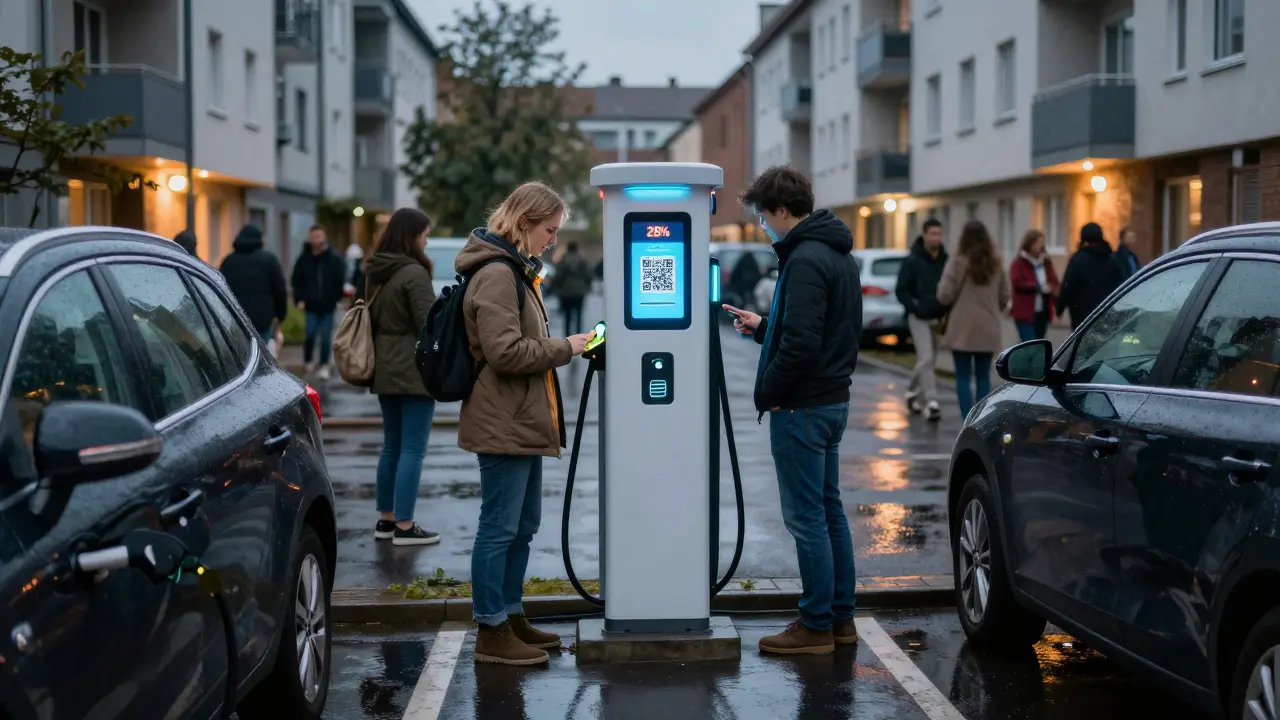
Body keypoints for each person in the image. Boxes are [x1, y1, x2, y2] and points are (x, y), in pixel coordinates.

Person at [721, 165, 862, 656]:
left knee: (807, 520)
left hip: (802, 406)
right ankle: (840, 619)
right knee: (828, 511)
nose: (764, 226)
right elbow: (819, 332)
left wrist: (770, 392)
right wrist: (764, 326)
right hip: (831, 400)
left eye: (763, 217)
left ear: (782, 211)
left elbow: (802, 345)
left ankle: (815, 623)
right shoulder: (837, 255)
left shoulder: (803, 260)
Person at [455, 181, 595, 665]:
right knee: (499, 528)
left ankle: (511, 617)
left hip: (520, 420)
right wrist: (568, 348)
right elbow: (505, 352)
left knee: (522, 526)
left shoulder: (516, 270)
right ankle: (491, 629)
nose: (553, 239)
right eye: (549, 229)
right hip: (503, 422)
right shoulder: (496, 274)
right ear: (524, 222)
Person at [366, 208, 442, 547]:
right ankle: (406, 526)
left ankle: (386, 520)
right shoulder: (413, 272)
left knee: (391, 446)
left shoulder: (376, 270)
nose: (427, 241)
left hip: (384, 365)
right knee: (412, 448)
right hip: (413, 368)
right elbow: (428, 323)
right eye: (425, 235)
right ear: (412, 236)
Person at [937, 221, 1011, 419]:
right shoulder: (996, 263)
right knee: (983, 376)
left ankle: (966, 420)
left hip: (962, 327)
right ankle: (980, 419)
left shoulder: (957, 262)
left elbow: (944, 295)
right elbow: (1005, 295)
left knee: (962, 376)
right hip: (988, 327)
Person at [894, 218, 948, 421]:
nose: (937, 238)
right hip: (918, 317)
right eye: (933, 234)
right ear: (924, 235)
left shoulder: (945, 259)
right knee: (926, 358)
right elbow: (900, 289)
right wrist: (914, 306)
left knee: (930, 360)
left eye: (939, 234)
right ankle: (932, 402)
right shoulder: (912, 260)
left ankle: (911, 390)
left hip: (938, 316)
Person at [291, 225, 349, 380]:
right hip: (310, 305)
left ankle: (324, 364)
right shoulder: (304, 258)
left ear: (324, 237)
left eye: (319, 236)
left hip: (328, 305)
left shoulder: (334, 258)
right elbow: (297, 280)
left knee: (325, 337)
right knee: (309, 334)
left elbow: (340, 279)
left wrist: (337, 298)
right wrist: (299, 299)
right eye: (314, 236)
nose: (316, 239)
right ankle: (308, 360)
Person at [219, 224, 288, 345]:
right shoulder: (269, 260)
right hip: (262, 320)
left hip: (235, 319)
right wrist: (280, 315)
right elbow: (280, 289)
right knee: (262, 354)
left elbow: (220, 289)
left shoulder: (228, 262)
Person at [1056, 222, 1125, 329]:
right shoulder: (1112, 260)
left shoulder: (1078, 260)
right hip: (1107, 313)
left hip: (1082, 317)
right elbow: (1121, 283)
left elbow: (1068, 286)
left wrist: (1059, 308)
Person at [1009, 229, 1060, 342]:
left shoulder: (1045, 262)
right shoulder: (1019, 262)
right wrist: (1037, 287)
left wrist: (1051, 289)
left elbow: (1054, 281)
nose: (1040, 246)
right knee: (1029, 344)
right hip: (1024, 312)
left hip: (1042, 312)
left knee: (1039, 346)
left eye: (1042, 242)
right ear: (1029, 243)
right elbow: (1017, 283)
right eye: (1037, 242)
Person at [549, 240, 593, 335]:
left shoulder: (563, 260)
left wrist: (554, 288)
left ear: (568, 249)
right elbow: (589, 275)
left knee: (567, 317)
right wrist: (587, 286)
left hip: (566, 292)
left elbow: (558, 276)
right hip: (580, 292)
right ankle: (578, 335)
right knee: (578, 316)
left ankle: (568, 337)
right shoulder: (582, 260)